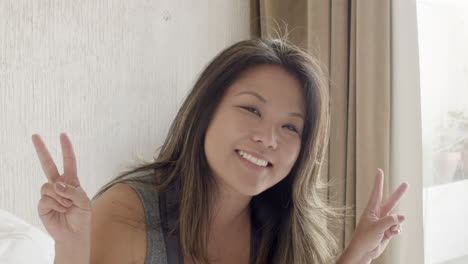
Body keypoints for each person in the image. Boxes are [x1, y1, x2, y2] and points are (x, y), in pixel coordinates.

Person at [32, 37, 409, 264]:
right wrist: (70, 247)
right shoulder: (128, 212)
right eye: (251, 109)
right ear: (205, 110)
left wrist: (355, 254)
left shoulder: (281, 221)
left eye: (290, 127)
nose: (269, 138)